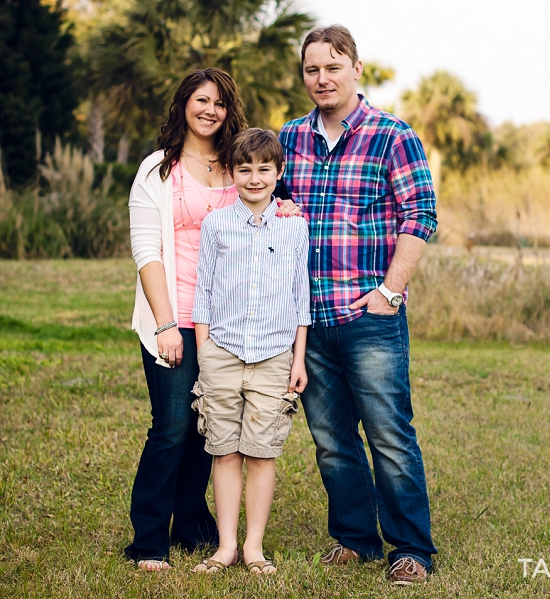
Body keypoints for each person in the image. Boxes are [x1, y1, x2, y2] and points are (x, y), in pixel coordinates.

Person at [277, 25, 438, 585]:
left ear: (356, 68)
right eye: (311, 69)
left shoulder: (393, 136)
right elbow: (272, 206)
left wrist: (390, 292)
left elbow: (421, 216)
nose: (322, 78)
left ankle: (411, 548)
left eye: (332, 66)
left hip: (370, 317)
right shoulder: (290, 137)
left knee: (390, 435)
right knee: (332, 440)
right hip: (310, 322)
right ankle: (354, 538)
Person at [126, 68, 302, 571]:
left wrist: (286, 207)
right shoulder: (158, 170)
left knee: (213, 430)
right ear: (184, 104)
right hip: (174, 313)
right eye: (201, 100)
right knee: (173, 426)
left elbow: (269, 202)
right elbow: (147, 251)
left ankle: (194, 523)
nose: (210, 110)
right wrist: (165, 324)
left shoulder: (236, 164)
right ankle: (150, 541)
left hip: (230, 324)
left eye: (220, 103)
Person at [190, 128, 310, 575]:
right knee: (225, 451)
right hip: (222, 351)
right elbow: (203, 292)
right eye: (245, 169)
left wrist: (298, 359)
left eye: (264, 169)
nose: (255, 178)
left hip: (275, 354)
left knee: (262, 452)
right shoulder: (217, 224)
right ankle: (225, 547)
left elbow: (302, 298)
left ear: (280, 172)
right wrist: (204, 352)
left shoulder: (295, 226)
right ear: (233, 173)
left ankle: (254, 547)